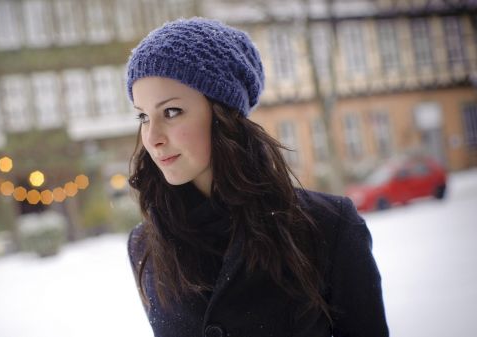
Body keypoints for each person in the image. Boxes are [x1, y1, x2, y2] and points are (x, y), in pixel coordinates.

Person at [125, 17, 388, 337]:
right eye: (142, 116)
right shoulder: (146, 245)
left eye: (171, 111)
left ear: (222, 114)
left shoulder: (328, 227)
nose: (152, 137)